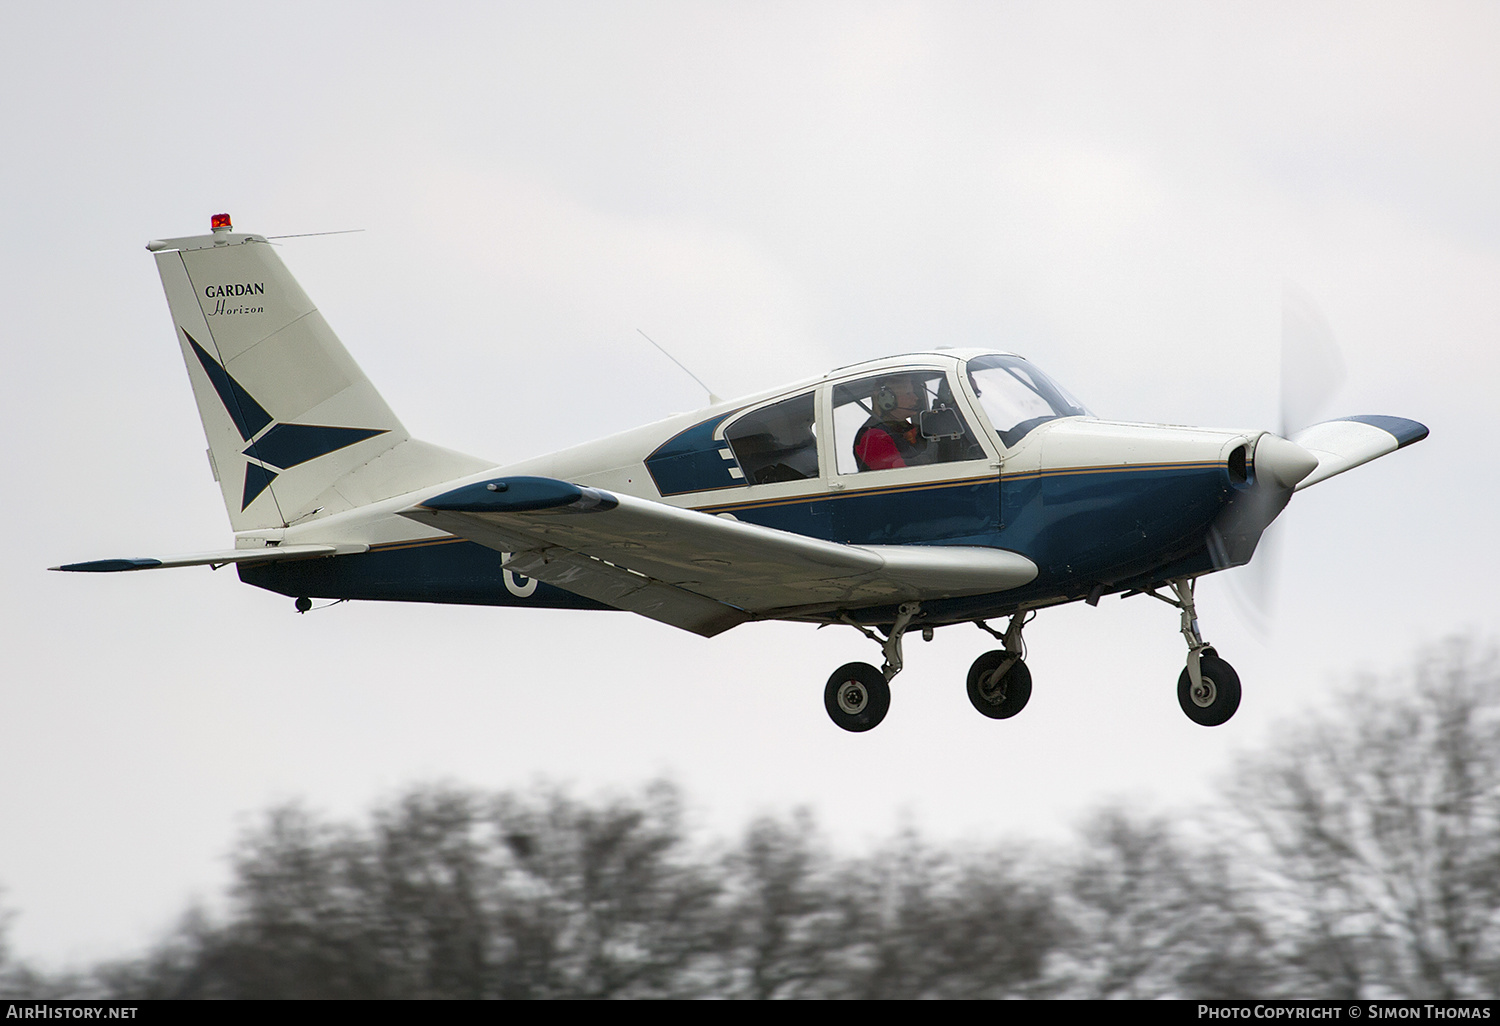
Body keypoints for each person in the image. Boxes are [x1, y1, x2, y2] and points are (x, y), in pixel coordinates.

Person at [853, 375, 930, 471]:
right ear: (887, 399)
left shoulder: (905, 428)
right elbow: (901, 475)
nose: (915, 398)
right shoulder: (874, 437)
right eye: (908, 393)